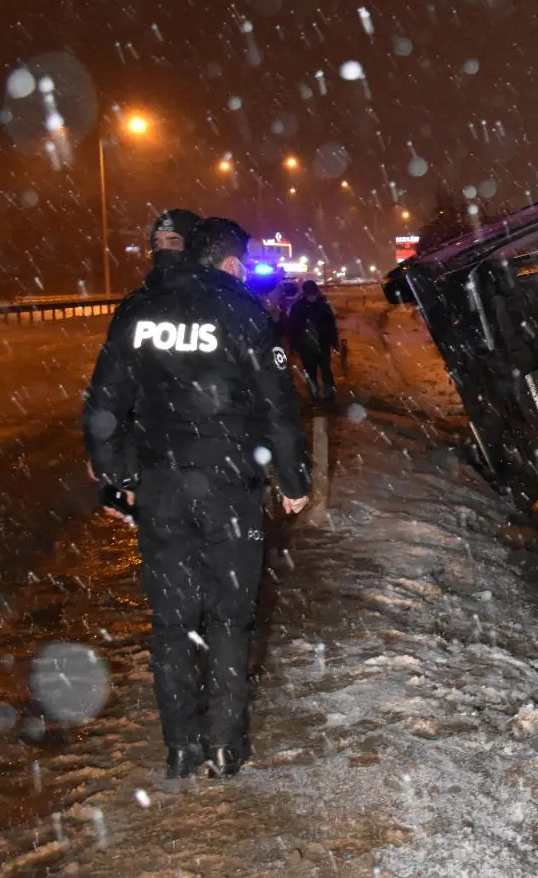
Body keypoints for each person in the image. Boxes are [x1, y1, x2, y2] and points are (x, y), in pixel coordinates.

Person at [82, 217, 309, 780]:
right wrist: (294, 480)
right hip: (230, 484)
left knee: (172, 621)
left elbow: (104, 402)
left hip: (160, 486)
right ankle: (226, 747)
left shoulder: (138, 310)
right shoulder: (241, 311)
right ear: (229, 261)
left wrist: (115, 477)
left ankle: (181, 748)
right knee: (231, 617)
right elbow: (278, 406)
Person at [92, 209, 201, 519]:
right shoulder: (135, 308)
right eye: (158, 243)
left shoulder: (221, 306)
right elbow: (109, 396)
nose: (164, 250)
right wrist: (113, 471)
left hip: (217, 469)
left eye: (174, 241)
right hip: (155, 468)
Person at [287, 280, 339, 407]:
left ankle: (329, 397)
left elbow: (331, 325)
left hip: (322, 344)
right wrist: (295, 345)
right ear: (305, 294)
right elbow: (293, 328)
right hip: (306, 347)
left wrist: (334, 342)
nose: (312, 296)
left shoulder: (323, 305)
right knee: (311, 373)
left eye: (313, 294)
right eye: (310, 294)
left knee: (326, 370)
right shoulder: (298, 307)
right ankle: (315, 397)